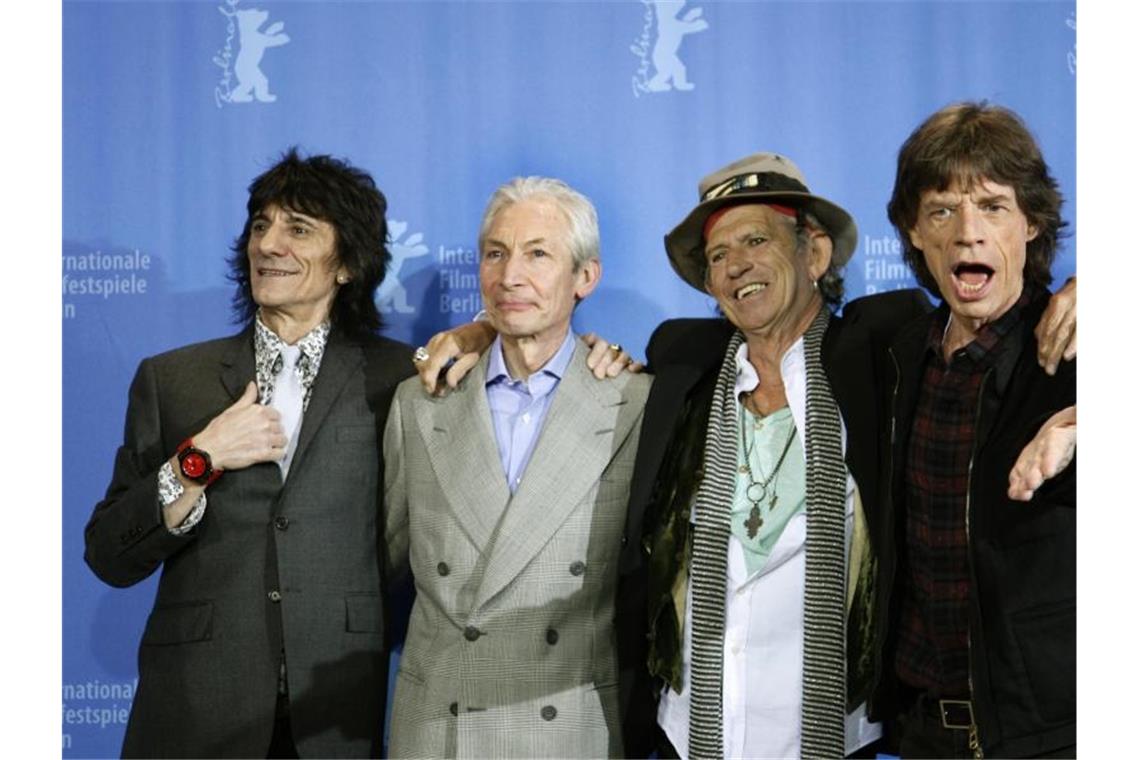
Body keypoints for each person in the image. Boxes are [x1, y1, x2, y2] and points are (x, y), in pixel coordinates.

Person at [415, 153, 1075, 760]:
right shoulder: (681, 359)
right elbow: (547, 336)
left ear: (814, 253)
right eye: (718, 254)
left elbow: (998, 313)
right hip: (690, 729)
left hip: (832, 732)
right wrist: (482, 329)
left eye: (757, 241)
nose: (735, 265)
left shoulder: (885, 347)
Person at [84, 149, 413, 758]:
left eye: (298, 229)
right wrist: (196, 460)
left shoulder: (401, 379)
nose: (268, 244)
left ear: (348, 263)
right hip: (195, 709)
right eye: (261, 225)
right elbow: (109, 554)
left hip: (335, 711)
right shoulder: (172, 379)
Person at [382, 177, 652, 758]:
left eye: (537, 254)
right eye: (495, 254)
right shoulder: (419, 403)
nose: (510, 276)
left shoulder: (635, 403)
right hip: (439, 729)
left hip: (570, 727)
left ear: (585, 277)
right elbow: (382, 565)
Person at [866, 102, 1076, 758]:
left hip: (1047, 733)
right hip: (922, 728)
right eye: (941, 211)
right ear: (913, 231)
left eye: (992, 206)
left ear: (1031, 222)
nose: (967, 234)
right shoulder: (894, 351)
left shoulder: (1082, 346)